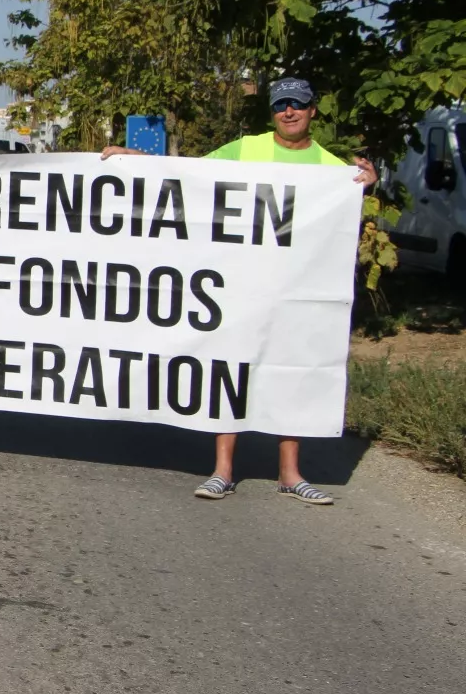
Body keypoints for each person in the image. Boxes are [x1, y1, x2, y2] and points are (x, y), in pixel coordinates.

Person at [102, 77, 376, 505]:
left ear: (313, 111)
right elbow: (189, 173)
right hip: (241, 284)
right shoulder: (246, 148)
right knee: (230, 369)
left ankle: (290, 473)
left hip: (296, 289)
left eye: (298, 105)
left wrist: (364, 184)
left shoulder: (330, 168)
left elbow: (340, 221)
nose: (289, 112)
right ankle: (223, 471)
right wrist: (134, 159)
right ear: (272, 112)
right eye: (281, 105)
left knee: (295, 370)